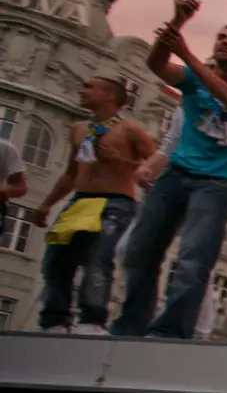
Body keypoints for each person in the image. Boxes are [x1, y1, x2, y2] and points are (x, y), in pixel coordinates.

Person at [113, 0, 227, 339]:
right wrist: (177, 22)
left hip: (217, 183)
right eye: (221, 37)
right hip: (177, 174)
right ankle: (132, 325)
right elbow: (156, 65)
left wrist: (186, 54)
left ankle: (171, 330)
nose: (225, 42)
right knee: (140, 249)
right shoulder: (191, 78)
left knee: (193, 258)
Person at [30, 75, 156, 335]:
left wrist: (121, 160)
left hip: (116, 203)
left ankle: (92, 319)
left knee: (98, 258)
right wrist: (47, 204)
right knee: (56, 259)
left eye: (89, 87)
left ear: (109, 95)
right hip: (80, 201)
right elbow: (70, 172)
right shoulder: (78, 129)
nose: (82, 91)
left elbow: (154, 165)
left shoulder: (129, 130)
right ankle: (55, 319)